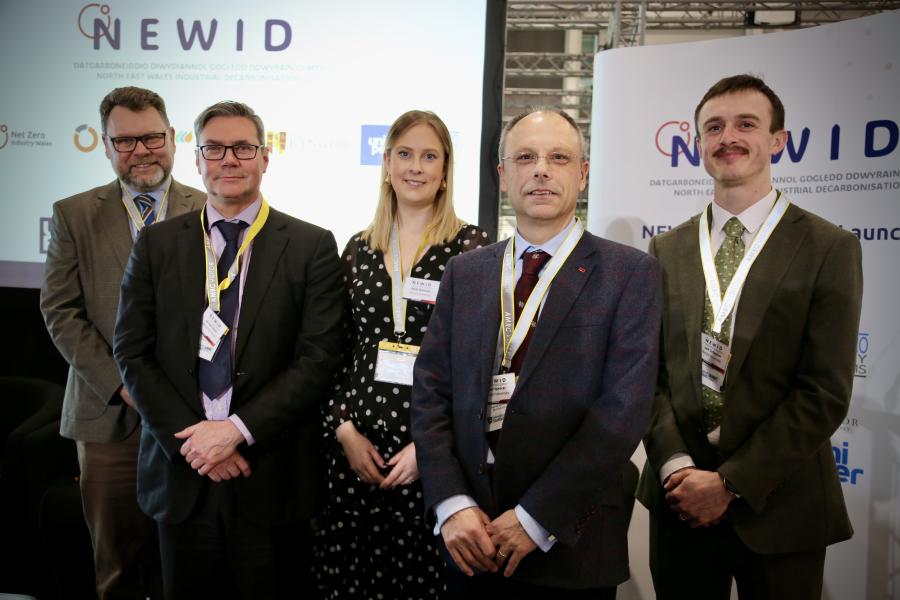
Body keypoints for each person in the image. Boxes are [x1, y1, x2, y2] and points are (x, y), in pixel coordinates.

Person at [410, 108, 662, 598]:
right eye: (525, 157)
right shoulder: (466, 272)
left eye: (559, 157)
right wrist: (451, 502)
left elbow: (623, 413)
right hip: (470, 539)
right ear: (503, 176)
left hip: (569, 544)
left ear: (582, 173)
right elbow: (431, 393)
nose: (541, 169)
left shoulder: (630, 273)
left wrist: (534, 517)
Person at [635, 74, 864, 599]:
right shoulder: (666, 250)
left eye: (746, 124)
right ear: (698, 146)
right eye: (713, 127)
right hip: (679, 503)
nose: (727, 137)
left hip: (781, 504)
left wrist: (730, 484)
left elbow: (824, 391)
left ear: (777, 140)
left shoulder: (829, 247)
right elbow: (649, 377)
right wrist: (677, 470)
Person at [112, 100, 344, 599]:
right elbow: (132, 353)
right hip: (183, 476)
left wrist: (236, 431)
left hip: (270, 477)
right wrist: (196, 445)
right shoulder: (156, 245)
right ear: (197, 160)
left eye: (243, 147)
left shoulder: (312, 246)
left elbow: (319, 359)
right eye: (214, 148)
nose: (229, 159)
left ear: (265, 157)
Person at [315, 109, 490, 599]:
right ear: (387, 164)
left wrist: (431, 449)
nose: (416, 166)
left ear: (446, 170)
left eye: (429, 156)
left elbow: (479, 361)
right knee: (349, 578)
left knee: (419, 582)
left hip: (433, 449)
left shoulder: (472, 249)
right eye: (405, 154)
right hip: (354, 450)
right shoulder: (358, 248)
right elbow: (334, 350)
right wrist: (343, 429)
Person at [40, 86, 204, 599]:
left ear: (172, 138)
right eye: (125, 141)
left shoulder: (209, 208)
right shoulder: (74, 214)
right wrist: (124, 384)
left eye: (152, 137)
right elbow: (60, 311)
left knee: (188, 559)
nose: (141, 151)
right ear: (106, 146)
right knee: (115, 564)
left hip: (194, 418)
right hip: (107, 416)